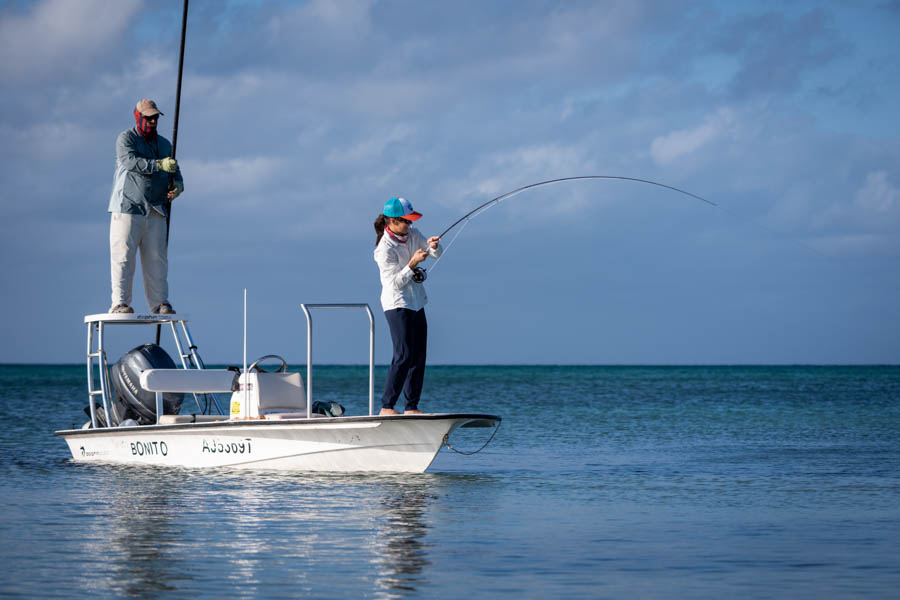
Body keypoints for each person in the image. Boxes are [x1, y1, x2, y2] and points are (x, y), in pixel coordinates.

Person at [107, 99, 184, 314]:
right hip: (127, 208)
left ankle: (160, 303)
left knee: (157, 258)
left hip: (157, 209)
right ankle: (120, 302)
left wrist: (177, 186)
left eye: (155, 118)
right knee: (123, 257)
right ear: (138, 117)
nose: (152, 121)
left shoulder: (165, 144)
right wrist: (159, 164)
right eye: (148, 117)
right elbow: (130, 162)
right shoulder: (126, 139)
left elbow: (176, 173)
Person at [373, 197, 442, 415]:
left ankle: (411, 407)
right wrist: (412, 263)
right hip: (396, 304)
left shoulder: (413, 234)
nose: (409, 225)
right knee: (403, 354)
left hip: (416, 302)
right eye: (405, 221)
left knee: (418, 355)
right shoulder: (383, 250)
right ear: (392, 221)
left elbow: (434, 255)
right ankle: (387, 406)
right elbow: (394, 283)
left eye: (411, 221)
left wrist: (433, 247)